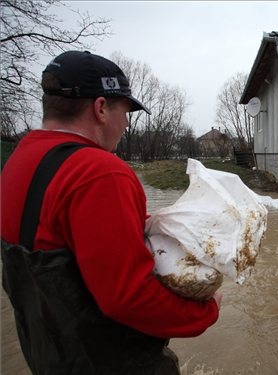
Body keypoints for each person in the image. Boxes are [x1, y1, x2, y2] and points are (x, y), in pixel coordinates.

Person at [1, 51, 221, 375]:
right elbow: (127, 297)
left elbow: (54, 236)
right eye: (125, 111)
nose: (127, 122)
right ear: (101, 108)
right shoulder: (101, 172)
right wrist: (206, 309)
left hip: (48, 358)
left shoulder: (19, 161)